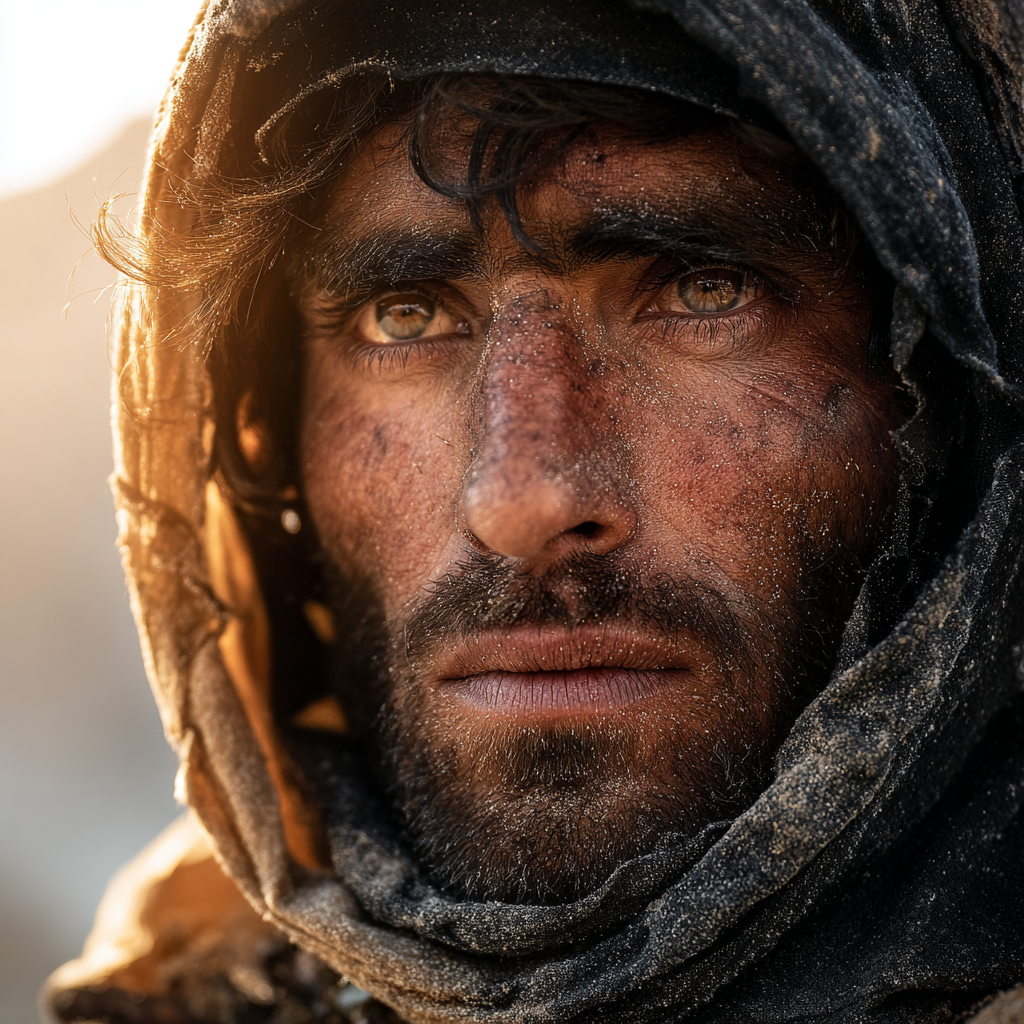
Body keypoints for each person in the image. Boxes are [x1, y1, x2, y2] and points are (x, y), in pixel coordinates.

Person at [46, 1, 1024, 1022]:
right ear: (266, 435)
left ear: (949, 405)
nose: (523, 497)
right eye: (405, 314)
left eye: (702, 289)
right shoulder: (189, 984)